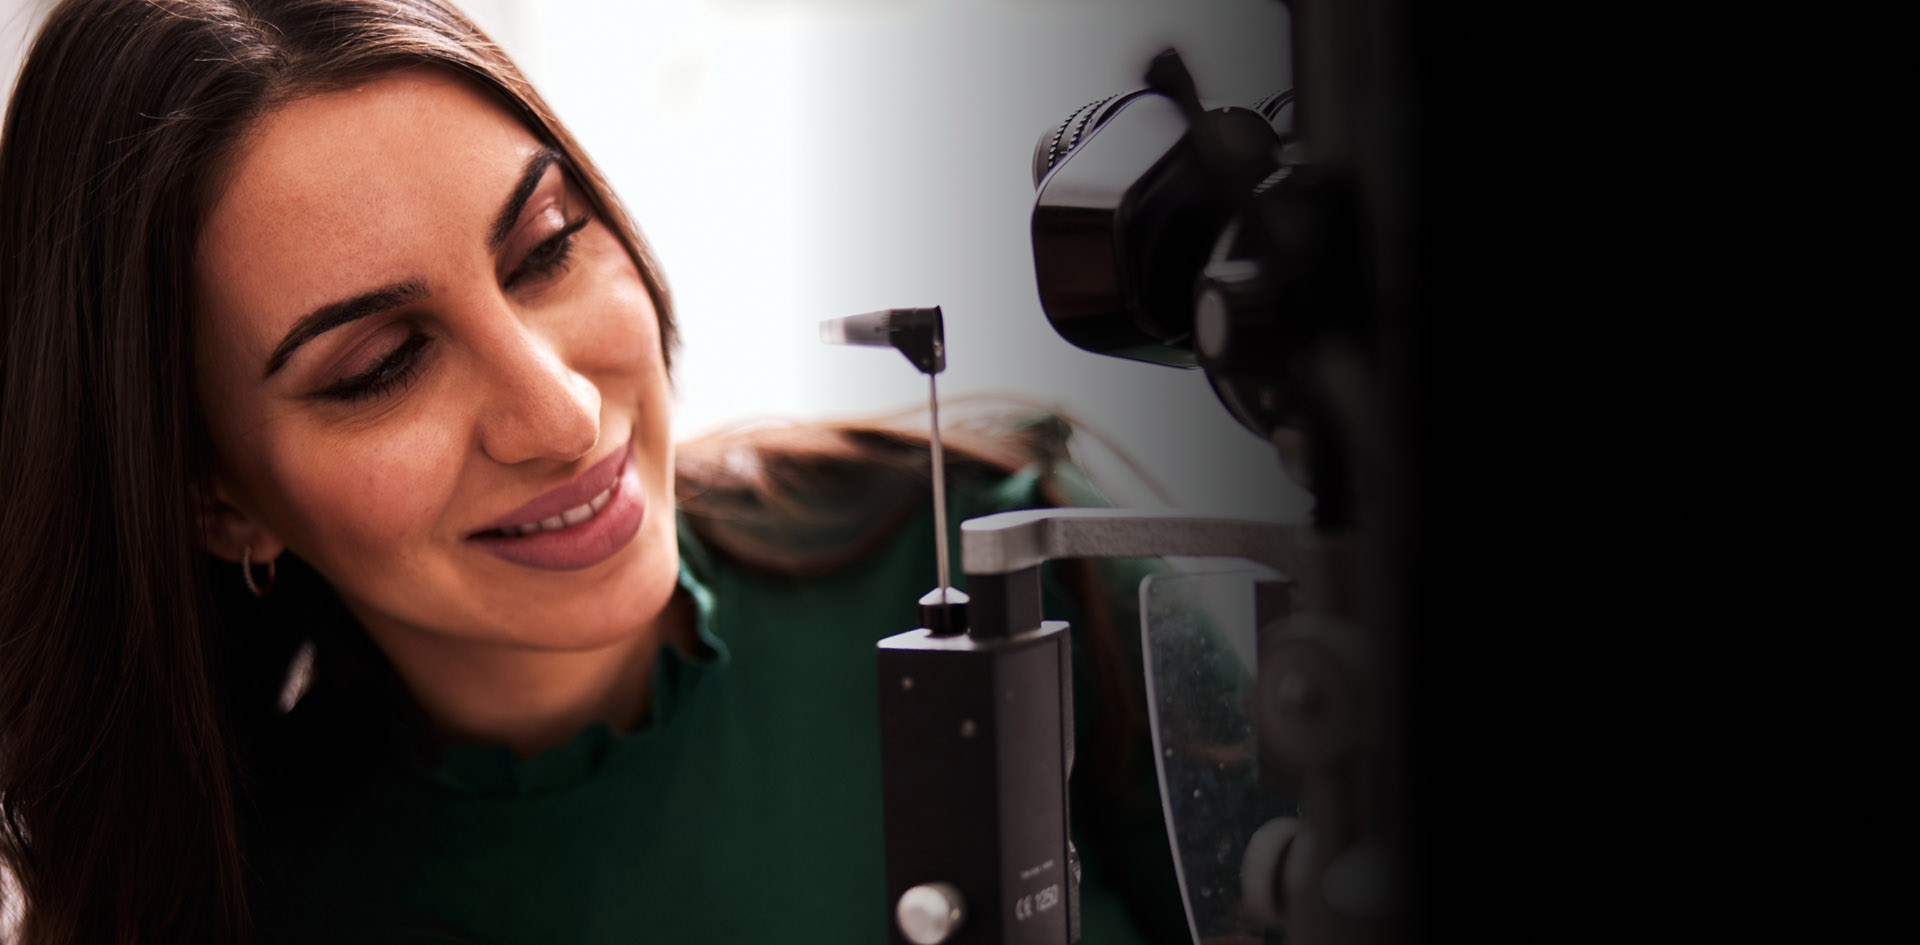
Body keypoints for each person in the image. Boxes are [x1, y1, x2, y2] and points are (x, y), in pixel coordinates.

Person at [0, 1, 1187, 943]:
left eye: (547, 247)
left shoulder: (986, 544)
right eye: (377, 365)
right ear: (213, 499)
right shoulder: (253, 909)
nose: (561, 414)